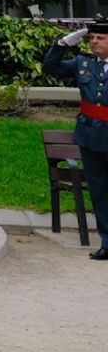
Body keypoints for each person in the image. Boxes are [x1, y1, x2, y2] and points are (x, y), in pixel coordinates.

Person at [42, 20, 108, 260]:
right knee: (99, 190)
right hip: (90, 137)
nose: (95, 42)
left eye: (101, 38)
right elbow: (51, 67)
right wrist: (63, 43)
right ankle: (107, 242)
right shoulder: (83, 63)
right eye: (92, 38)